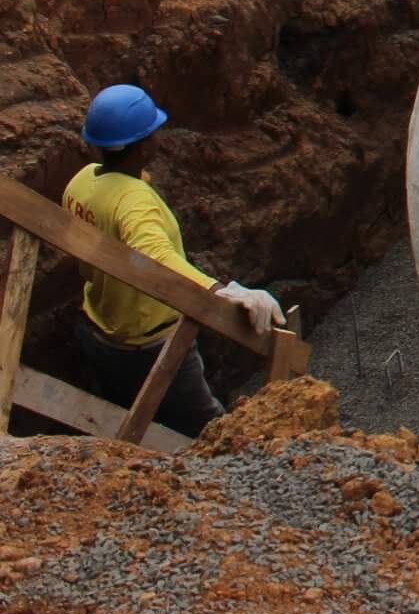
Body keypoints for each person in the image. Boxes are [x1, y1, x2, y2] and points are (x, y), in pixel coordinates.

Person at [60, 84, 286, 437]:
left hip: (98, 329)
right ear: (144, 144)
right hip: (149, 347)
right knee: (209, 430)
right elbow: (156, 256)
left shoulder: (81, 182)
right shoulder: (134, 202)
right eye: (152, 131)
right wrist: (220, 291)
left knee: (132, 413)